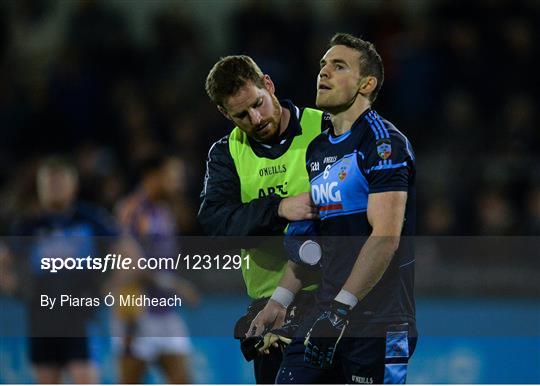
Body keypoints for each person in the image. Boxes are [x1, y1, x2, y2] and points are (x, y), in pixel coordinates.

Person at [249, 33, 417, 384]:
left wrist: (340, 310)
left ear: (366, 83)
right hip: (325, 316)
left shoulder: (383, 143)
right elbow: (312, 243)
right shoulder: (319, 150)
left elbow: (385, 237)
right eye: (323, 65)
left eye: (338, 66)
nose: (323, 72)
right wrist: (278, 302)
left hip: (377, 323)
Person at [198, 55, 331, 383]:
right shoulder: (226, 153)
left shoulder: (325, 128)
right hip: (268, 313)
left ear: (268, 85)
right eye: (241, 115)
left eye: (258, 103)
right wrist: (279, 209)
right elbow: (216, 225)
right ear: (223, 113)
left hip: (330, 297)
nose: (255, 118)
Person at [12, 156, 119, 384]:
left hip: (79, 316)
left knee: (85, 378)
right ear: (40, 188)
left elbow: (127, 252)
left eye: (60, 182)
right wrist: (12, 285)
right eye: (49, 184)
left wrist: (110, 287)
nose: (54, 189)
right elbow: (5, 259)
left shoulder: (90, 219)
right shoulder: (29, 225)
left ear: (74, 185)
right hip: (41, 318)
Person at [112, 154, 200, 384]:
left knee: (183, 379)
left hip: (165, 311)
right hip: (135, 309)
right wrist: (176, 285)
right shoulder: (131, 210)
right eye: (172, 176)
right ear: (152, 177)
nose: (178, 183)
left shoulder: (164, 211)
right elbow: (130, 264)